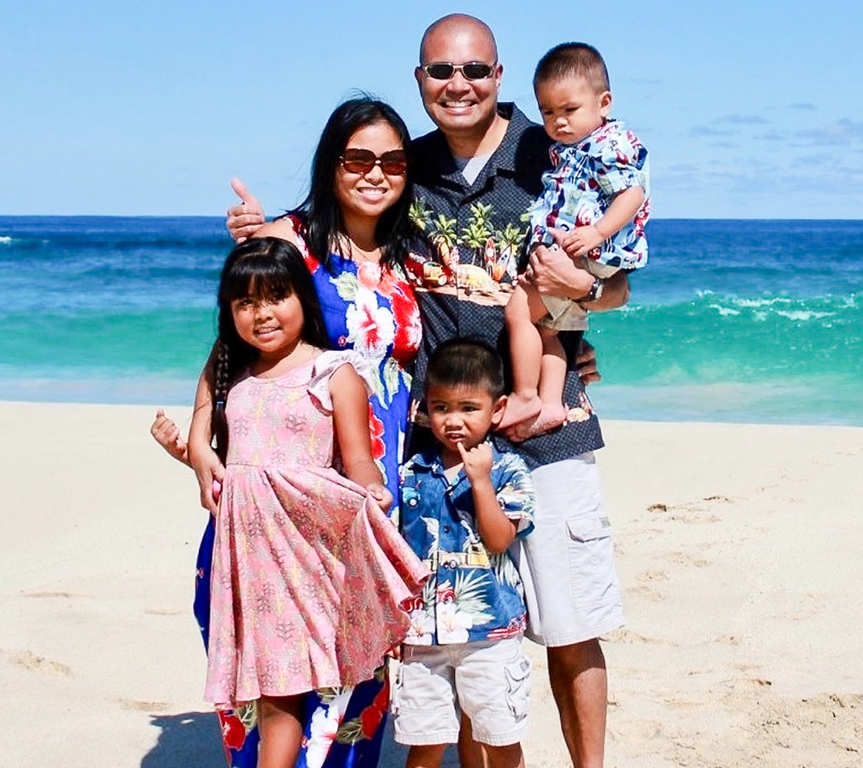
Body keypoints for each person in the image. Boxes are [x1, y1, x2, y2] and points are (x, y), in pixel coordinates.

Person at [228, 16, 632, 768]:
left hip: (551, 425)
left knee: (570, 626)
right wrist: (259, 235)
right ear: (420, 80)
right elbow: (329, 229)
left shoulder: (553, 149)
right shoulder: (403, 168)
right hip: (436, 441)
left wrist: (588, 291)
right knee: (463, 631)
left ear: (500, 75)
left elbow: (617, 283)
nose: (459, 85)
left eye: (474, 70)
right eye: (441, 71)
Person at [153, 97, 424, 768]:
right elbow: (229, 349)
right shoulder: (289, 241)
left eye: (392, 160)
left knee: (352, 661)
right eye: (358, 157)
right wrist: (196, 443)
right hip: (281, 496)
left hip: (368, 486)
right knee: (265, 658)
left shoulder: (414, 250)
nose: (375, 173)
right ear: (331, 163)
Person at [198, 236, 428, 768]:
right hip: (252, 568)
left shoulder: (333, 372)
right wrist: (188, 445)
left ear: (303, 297)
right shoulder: (238, 380)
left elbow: (358, 462)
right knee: (272, 691)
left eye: (276, 296)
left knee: (327, 684)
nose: (261, 314)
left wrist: (374, 493)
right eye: (245, 304)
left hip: (312, 558)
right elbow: (244, 472)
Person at [394, 339, 535, 768]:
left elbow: (499, 541)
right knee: (425, 743)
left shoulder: (509, 469)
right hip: (423, 635)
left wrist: (481, 482)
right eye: (441, 407)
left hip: (489, 633)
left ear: (497, 408)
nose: (453, 421)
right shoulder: (411, 472)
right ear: (424, 408)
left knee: (500, 738)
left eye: (468, 408)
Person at [501, 42, 649, 435]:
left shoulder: (607, 144)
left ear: (604, 103)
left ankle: (526, 395)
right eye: (548, 112)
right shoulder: (571, 148)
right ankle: (550, 403)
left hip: (587, 251)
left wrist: (598, 232)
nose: (558, 122)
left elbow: (633, 193)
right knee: (549, 327)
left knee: (519, 311)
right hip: (582, 251)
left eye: (569, 110)